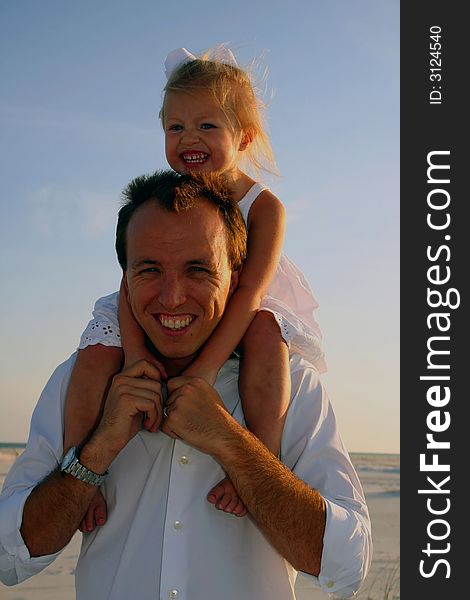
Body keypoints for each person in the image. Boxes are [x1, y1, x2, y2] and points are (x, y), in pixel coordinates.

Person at [0, 170, 371, 599]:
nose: (172, 297)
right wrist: (95, 452)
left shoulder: (292, 386)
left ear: (235, 279)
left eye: (198, 270)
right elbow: (10, 557)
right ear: (125, 281)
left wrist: (232, 443)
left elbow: (347, 566)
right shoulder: (80, 381)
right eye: (150, 269)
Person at [64, 46, 327, 529]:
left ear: (243, 135)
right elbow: (132, 280)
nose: (189, 138)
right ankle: (79, 470)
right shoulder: (168, 195)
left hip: (246, 298)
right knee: (97, 348)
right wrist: (137, 354)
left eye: (207, 126)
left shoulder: (264, 206)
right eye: (175, 127)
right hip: (184, 294)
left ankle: (258, 459)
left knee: (268, 332)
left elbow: (249, 293)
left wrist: (204, 371)